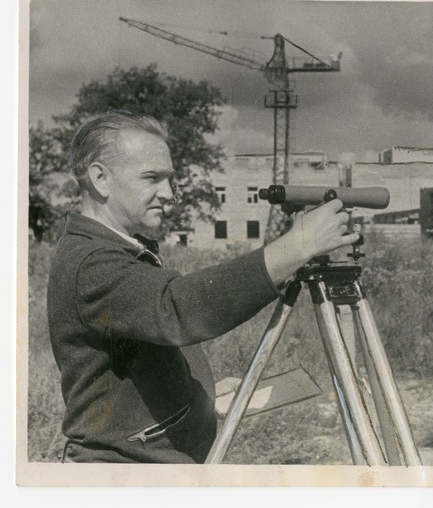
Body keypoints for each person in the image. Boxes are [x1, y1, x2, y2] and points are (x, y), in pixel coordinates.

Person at [47, 111, 359, 463]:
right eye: (152, 178)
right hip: (124, 474)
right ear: (100, 178)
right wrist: (295, 248)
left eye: (169, 179)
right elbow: (176, 309)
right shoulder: (92, 261)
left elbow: (139, 348)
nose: (169, 194)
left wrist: (200, 392)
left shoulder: (119, 247)